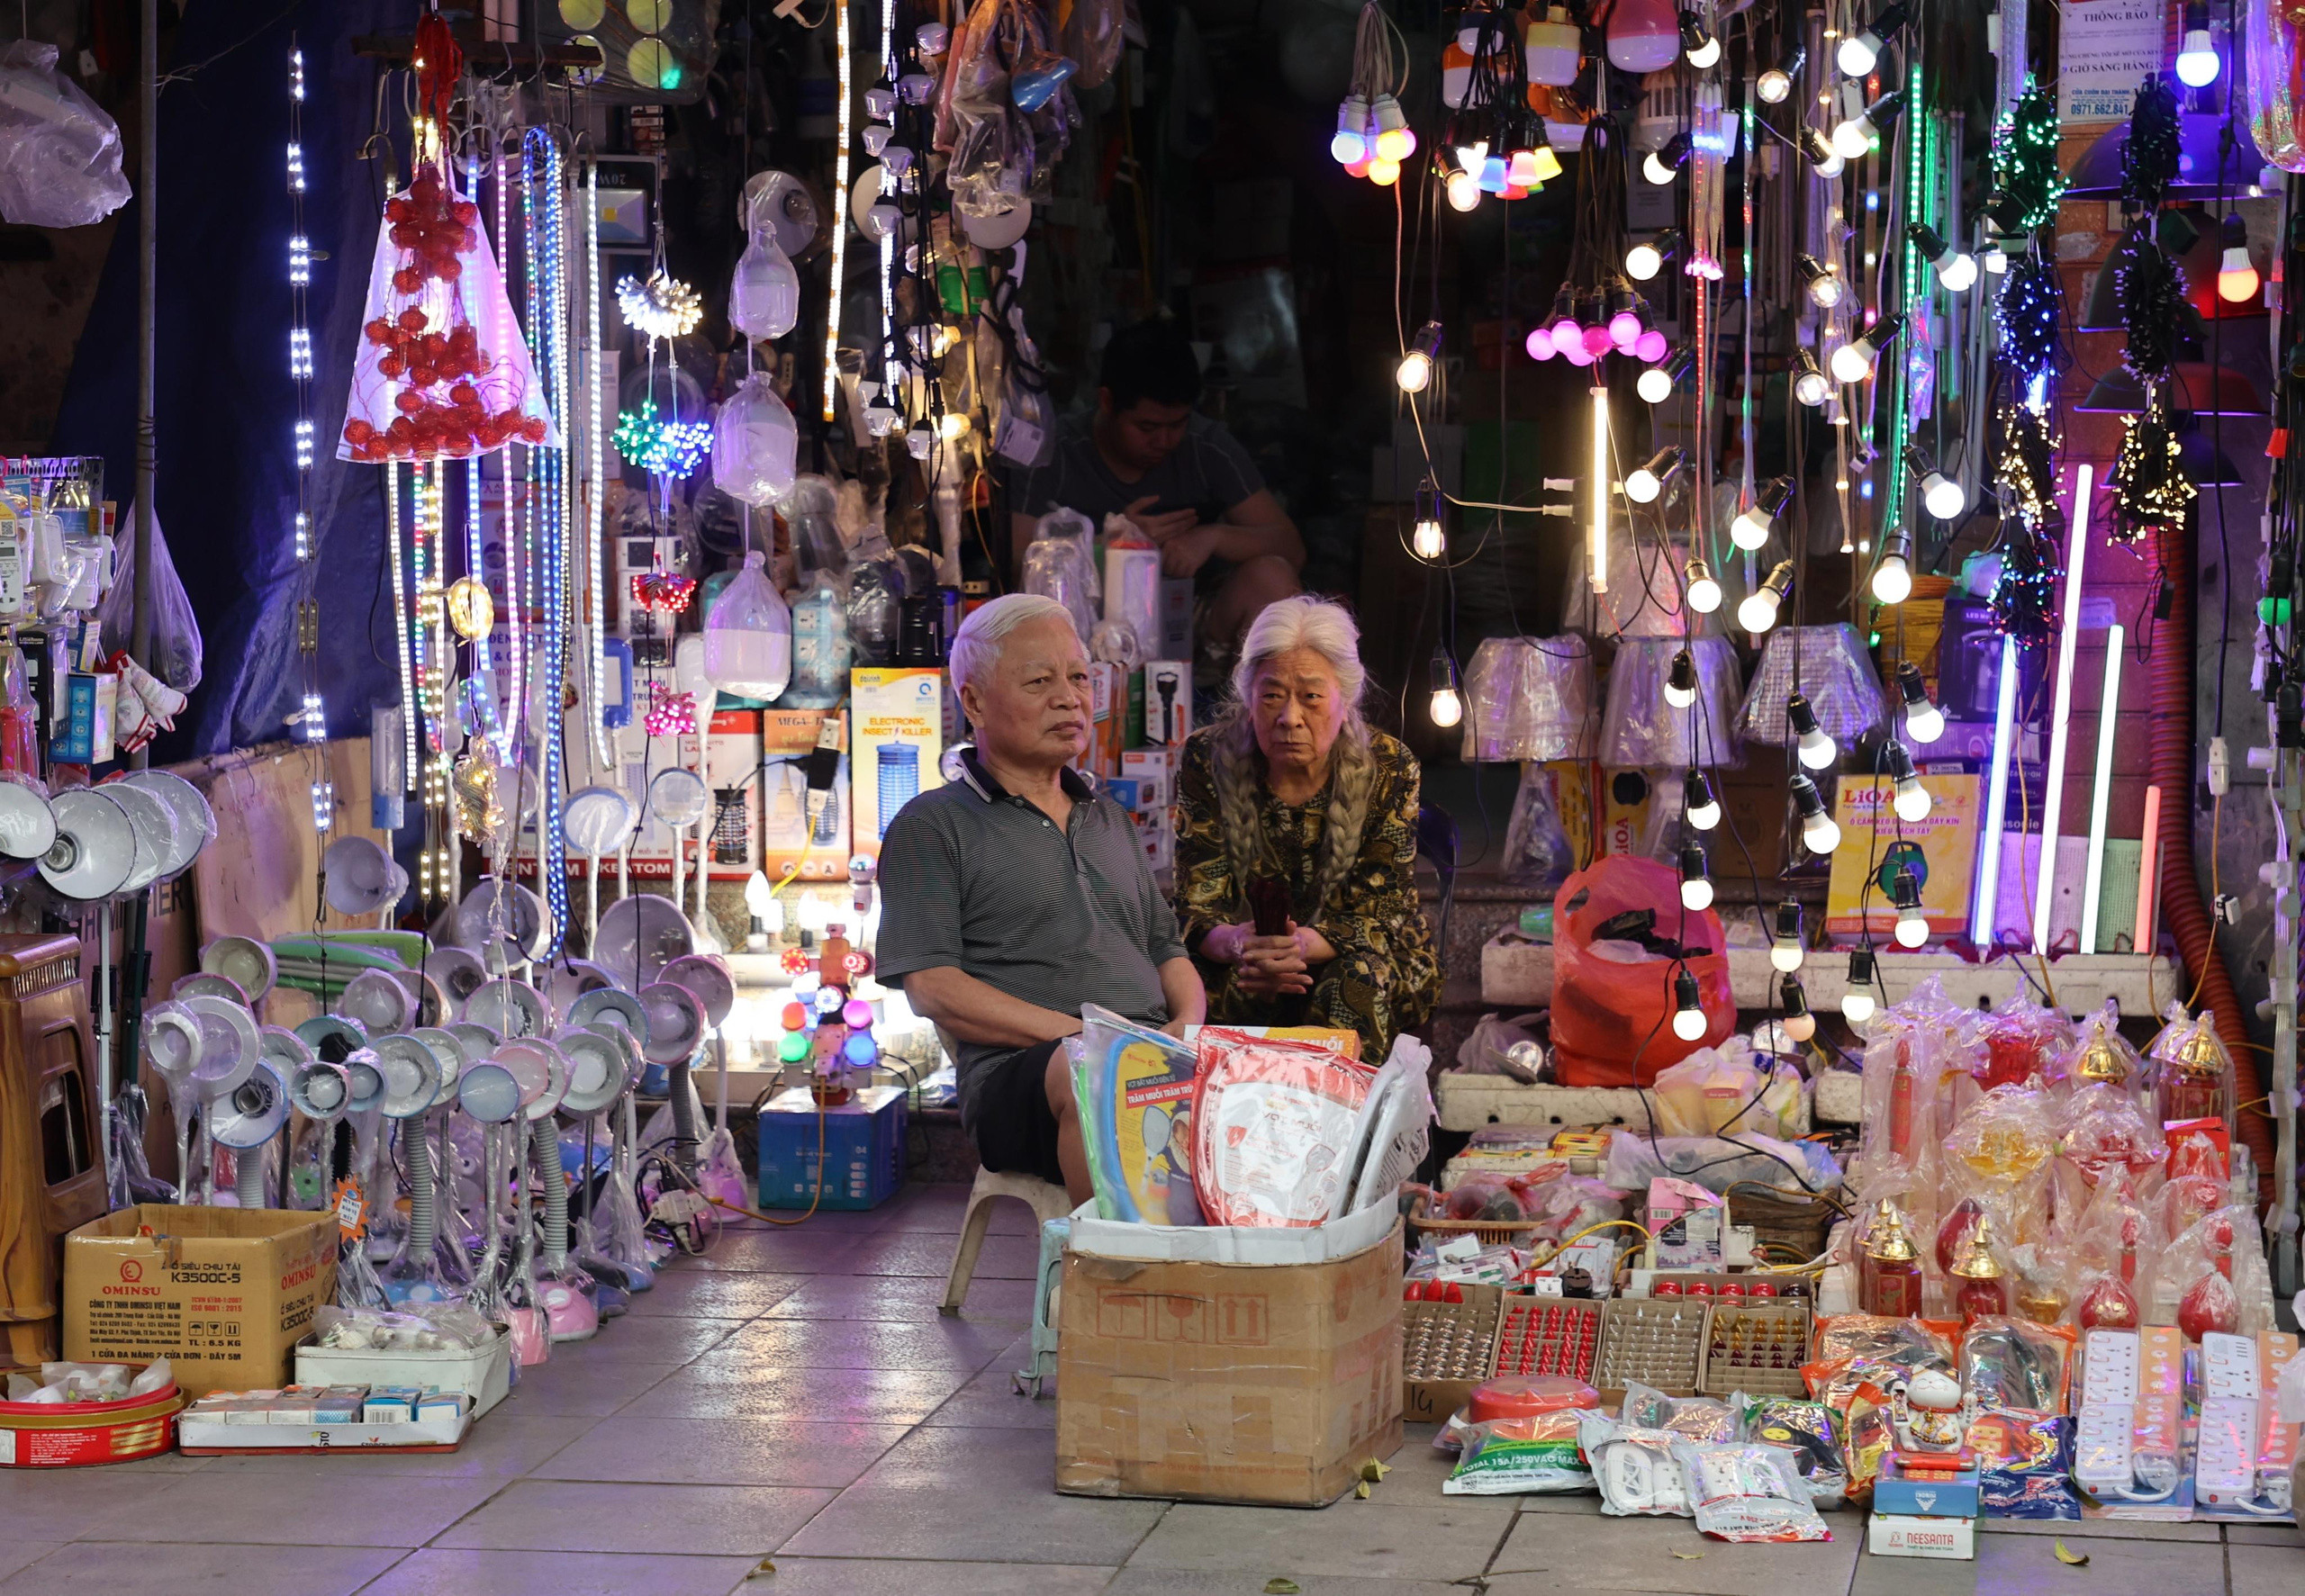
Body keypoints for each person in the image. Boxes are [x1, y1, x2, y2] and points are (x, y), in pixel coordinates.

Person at [875, 594, 1207, 1202]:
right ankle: (1108, 1280)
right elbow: (932, 987)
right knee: (1093, 1072)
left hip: (1148, 1053)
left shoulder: (1110, 818)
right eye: (1040, 680)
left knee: (1280, 1075)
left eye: (1079, 677)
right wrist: (1088, 1036)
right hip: (1020, 1078)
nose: (1069, 697)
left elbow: (1166, 949)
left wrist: (1188, 1029)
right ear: (973, 700)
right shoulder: (932, 825)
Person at [1172, 595, 1441, 1061]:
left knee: (1356, 980)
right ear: (1248, 696)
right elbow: (1197, 905)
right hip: (1245, 955)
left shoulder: (1392, 766)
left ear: (1345, 697)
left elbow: (1383, 912)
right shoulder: (1205, 757)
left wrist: (1297, 946)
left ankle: (1346, 1130)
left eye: (1311, 697)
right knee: (1182, 982)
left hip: (1355, 952)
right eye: (1272, 695)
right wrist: (1241, 945)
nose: (1289, 717)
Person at [1009, 316, 1304, 669]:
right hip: (1079, 632)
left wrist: (1214, 537)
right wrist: (1113, 546)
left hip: (1188, 627)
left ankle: (1247, 710)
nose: (1163, 441)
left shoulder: (1205, 447)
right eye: (1146, 427)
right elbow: (1016, 559)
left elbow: (1290, 547)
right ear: (1107, 402)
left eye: (1177, 425)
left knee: (1272, 576)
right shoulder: (1055, 451)